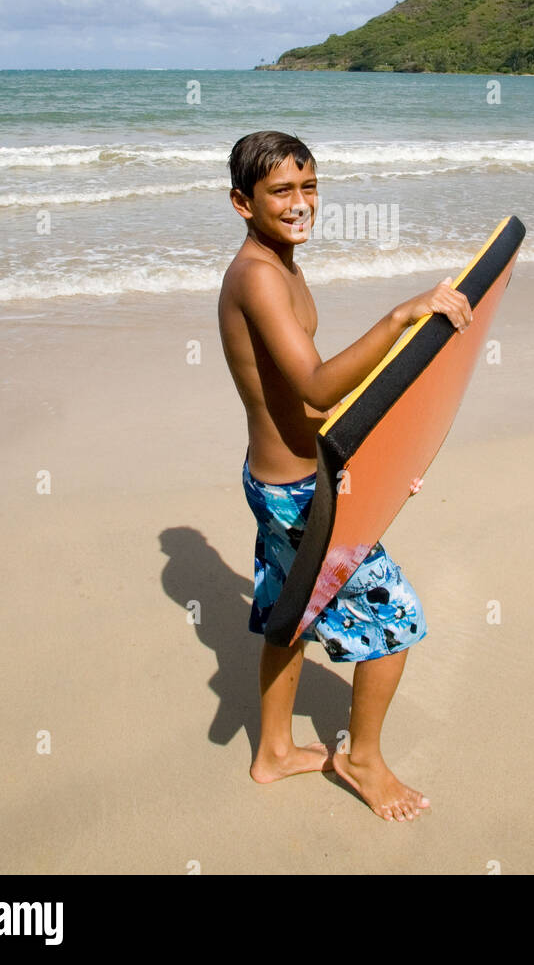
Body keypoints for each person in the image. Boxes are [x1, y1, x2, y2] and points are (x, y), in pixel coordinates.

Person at [217, 130, 472, 821]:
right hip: (299, 496)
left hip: (282, 477)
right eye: (281, 191)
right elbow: (319, 385)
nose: (300, 203)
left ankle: (273, 752)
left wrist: (377, 461)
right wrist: (400, 315)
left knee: (289, 615)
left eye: (309, 186)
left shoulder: (279, 262)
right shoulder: (261, 277)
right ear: (243, 202)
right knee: (398, 619)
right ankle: (361, 760)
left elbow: (301, 401)